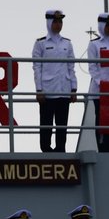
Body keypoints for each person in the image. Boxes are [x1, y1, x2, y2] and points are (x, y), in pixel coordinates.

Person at [32, 10, 77, 153]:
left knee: (62, 125)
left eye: (60, 22)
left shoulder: (67, 43)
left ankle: (61, 150)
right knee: (46, 124)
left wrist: (74, 88)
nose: (58, 25)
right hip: (48, 90)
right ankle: (46, 150)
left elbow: (71, 67)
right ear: (49, 23)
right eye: (55, 22)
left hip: (64, 89)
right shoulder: (40, 43)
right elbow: (37, 67)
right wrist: (39, 89)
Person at [86, 12, 109, 152]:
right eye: (107, 25)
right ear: (102, 25)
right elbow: (92, 68)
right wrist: (102, 83)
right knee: (101, 121)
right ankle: (102, 148)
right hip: (100, 91)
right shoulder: (94, 45)